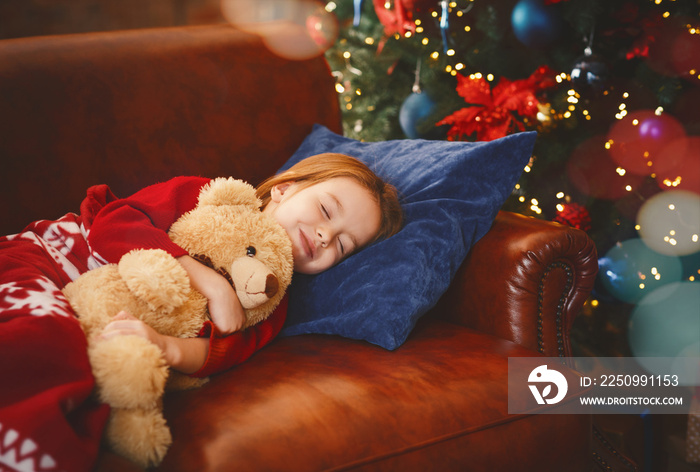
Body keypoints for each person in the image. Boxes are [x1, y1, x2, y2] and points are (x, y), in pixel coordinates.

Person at [0, 153, 402, 472]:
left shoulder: (272, 303)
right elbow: (115, 222)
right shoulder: (209, 198)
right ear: (284, 189)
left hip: (96, 318)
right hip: (49, 258)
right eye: (327, 212)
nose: (324, 236)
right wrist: (210, 283)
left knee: (92, 405)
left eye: (343, 245)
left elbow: (222, 350)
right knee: (45, 344)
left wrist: (166, 347)